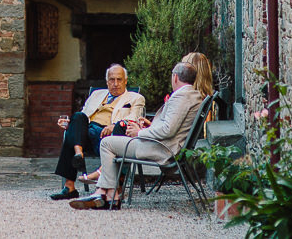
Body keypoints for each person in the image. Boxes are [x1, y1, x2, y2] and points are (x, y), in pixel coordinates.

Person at [70, 61, 203, 210]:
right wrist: (150, 126)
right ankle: (107, 195)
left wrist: (139, 132)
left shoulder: (181, 97)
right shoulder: (193, 95)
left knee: (107, 143)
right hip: (164, 144)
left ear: (176, 77)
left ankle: (106, 194)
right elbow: (171, 127)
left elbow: (168, 130)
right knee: (114, 140)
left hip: (161, 149)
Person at [49, 64, 145, 200]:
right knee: (77, 117)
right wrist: (70, 126)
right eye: (112, 80)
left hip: (111, 136)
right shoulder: (96, 94)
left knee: (120, 127)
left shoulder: (136, 98)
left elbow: (134, 118)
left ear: (125, 81)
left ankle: (101, 174)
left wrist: (113, 125)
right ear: (107, 82)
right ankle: (71, 180)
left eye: (119, 79)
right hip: (88, 133)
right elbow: (84, 115)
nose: (116, 84)